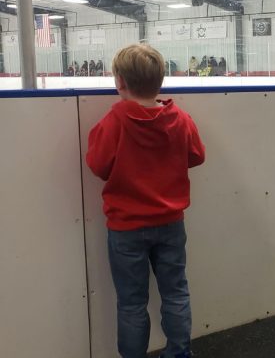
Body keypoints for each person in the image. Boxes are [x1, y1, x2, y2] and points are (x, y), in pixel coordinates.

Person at [85, 44, 205, 358]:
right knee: (176, 292)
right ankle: (179, 353)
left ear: (120, 82)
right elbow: (197, 155)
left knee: (131, 303)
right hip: (170, 224)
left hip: (126, 229)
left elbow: (98, 165)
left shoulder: (115, 121)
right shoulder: (179, 118)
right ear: (159, 81)